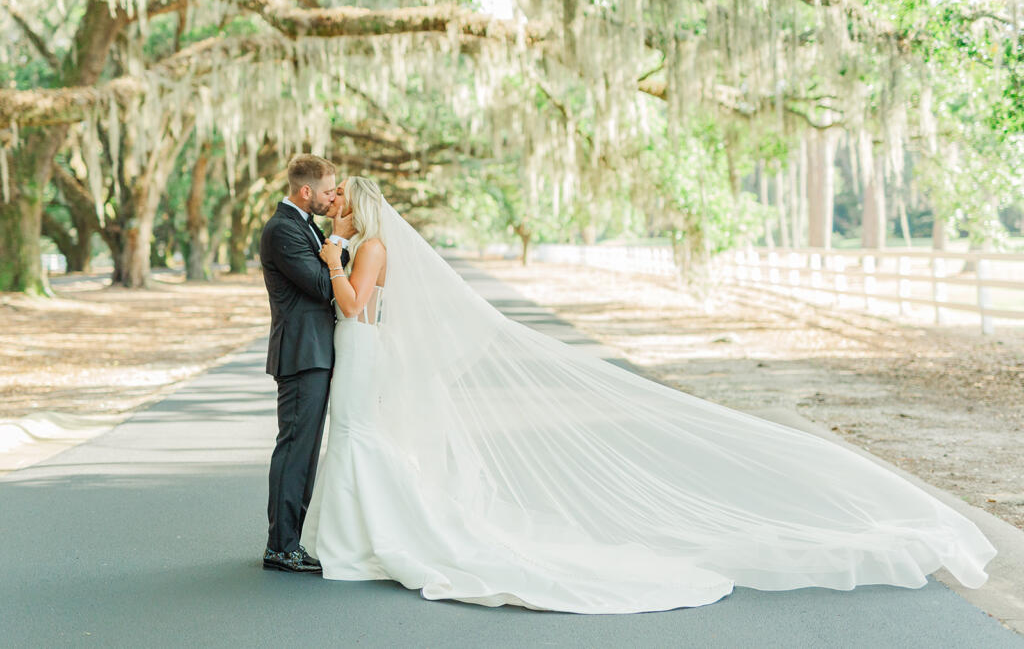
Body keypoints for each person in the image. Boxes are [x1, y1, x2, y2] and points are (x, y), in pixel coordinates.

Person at [295, 178, 996, 613]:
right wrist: (336, 262)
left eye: (340, 206)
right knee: (359, 437)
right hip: (361, 351)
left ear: (358, 208)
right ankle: (354, 538)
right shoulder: (367, 245)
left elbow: (356, 307)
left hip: (362, 345)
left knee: (359, 437)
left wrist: (332, 262)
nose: (336, 212)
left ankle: (366, 539)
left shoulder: (371, 247)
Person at [258, 154, 355, 573]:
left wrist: (333, 243)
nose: (333, 197)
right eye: (329, 190)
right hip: (301, 353)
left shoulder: (305, 227)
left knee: (305, 450)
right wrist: (342, 241)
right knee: (295, 449)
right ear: (306, 191)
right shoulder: (283, 230)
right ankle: (280, 546)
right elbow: (321, 285)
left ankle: (290, 540)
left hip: (315, 351)